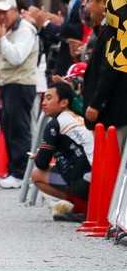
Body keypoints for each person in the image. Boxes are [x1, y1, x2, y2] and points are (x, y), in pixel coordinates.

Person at [0, 0, 39, 189]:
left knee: (20, 130)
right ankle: (14, 170)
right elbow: (1, 62)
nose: (1, 17)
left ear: (14, 11)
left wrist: (2, 39)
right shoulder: (7, 30)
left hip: (21, 84)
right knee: (9, 129)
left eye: (4, 12)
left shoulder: (25, 30)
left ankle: (21, 173)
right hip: (8, 85)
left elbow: (16, 57)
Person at [30, 82, 94, 222]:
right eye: (44, 98)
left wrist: (41, 153)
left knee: (37, 174)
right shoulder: (75, 117)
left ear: (64, 102)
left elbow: (41, 163)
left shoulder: (55, 124)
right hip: (99, 178)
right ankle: (80, 207)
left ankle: (85, 208)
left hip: (86, 182)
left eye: (48, 98)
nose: (44, 103)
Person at [81, 0, 127, 152]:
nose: (88, 5)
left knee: (113, 161)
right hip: (113, 108)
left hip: (115, 110)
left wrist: (96, 103)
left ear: (105, 1)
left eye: (91, 0)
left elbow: (110, 69)